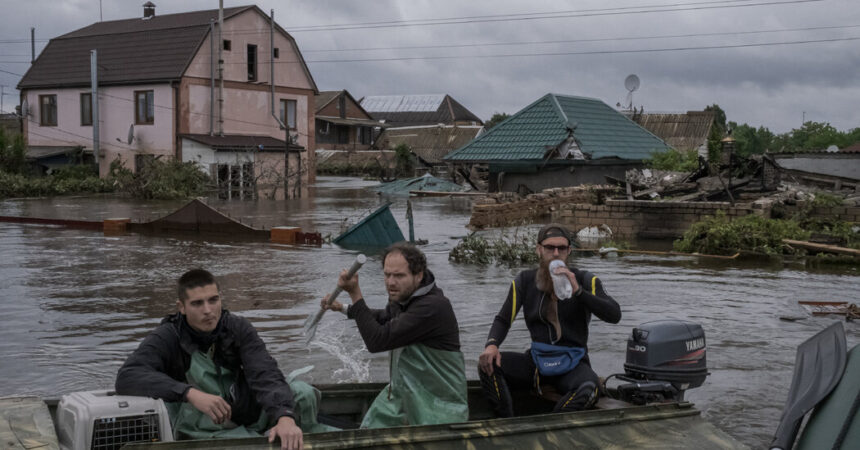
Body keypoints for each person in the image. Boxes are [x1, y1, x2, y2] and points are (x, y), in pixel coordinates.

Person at [115, 269, 308, 450]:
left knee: (302, 393)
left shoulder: (238, 328)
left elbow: (265, 373)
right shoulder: (167, 336)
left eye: (213, 300)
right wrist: (189, 393)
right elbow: (128, 375)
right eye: (197, 303)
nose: (208, 310)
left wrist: (284, 416)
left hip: (241, 407)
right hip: (201, 421)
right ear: (181, 307)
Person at [478, 224, 621, 417]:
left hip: (574, 362)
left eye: (561, 248)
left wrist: (579, 291)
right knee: (488, 364)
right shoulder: (524, 281)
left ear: (569, 251)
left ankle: (550, 428)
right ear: (539, 249)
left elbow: (614, 315)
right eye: (549, 248)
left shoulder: (585, 279)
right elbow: (503, 319)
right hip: (537, 362)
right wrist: (491, 345)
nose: (555, 253)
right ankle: (506, 423)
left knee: (589, 388)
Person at [321, 242, 468, 428]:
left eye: (399, 276)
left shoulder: (433, 307)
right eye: (387, 274)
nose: (391, 282)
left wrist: (355, 293)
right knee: (367, 431)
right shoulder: (405, 297)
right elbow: (383, 317)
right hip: (407, 396)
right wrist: (343, 308)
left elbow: (377, 341)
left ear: (419, 275)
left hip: (439, 408)